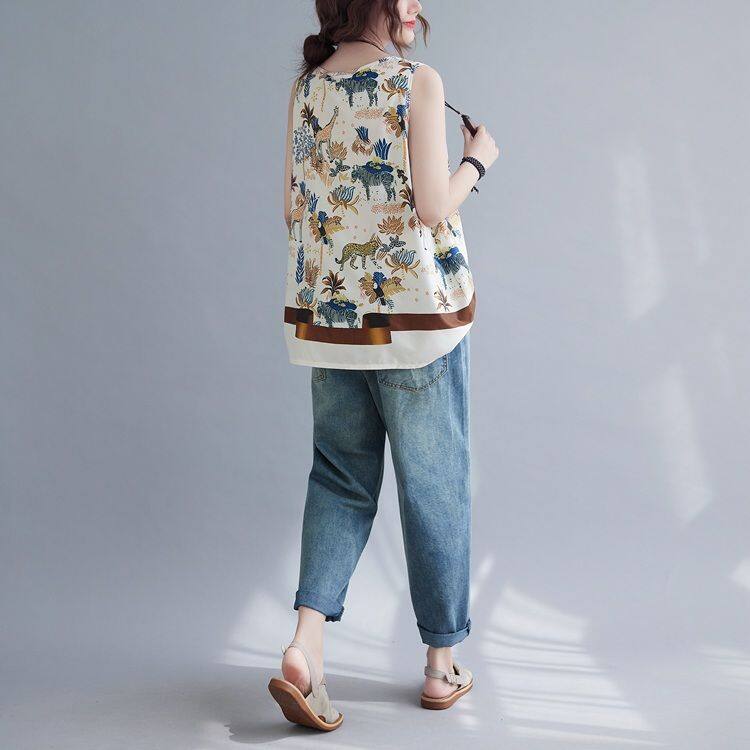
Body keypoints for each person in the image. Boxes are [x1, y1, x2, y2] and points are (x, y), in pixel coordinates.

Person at [268, 0, 499, 730]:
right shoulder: (417, 82)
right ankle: (441, 664)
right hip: (416, 328)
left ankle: (305, 644)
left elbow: (292, 210)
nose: (420, 6)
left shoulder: (306, 88)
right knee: (435, 486)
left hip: (332, 328)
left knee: (339, 478)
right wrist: (477, 161)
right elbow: (432, 208)